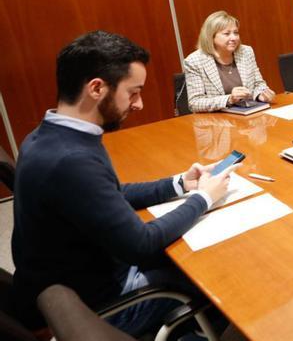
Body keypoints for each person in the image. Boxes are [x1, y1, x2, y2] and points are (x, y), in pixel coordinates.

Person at [11, 31, 233, 335]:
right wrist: (204, 199)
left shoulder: (47, 136)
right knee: (218, 281)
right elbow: (140, 244)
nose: (139, 104)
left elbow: (108, 194)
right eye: (133, 92)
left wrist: (180, 184)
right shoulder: (71, 160)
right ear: (97, 88)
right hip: (106, 306)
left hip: (79, 280)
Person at [184, 10, 275, 112]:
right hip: (216, 122)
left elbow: (258, 84)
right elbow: (195, 103)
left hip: (249, 115)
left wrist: (261, 95)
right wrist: (229, 99)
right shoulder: (194, 61)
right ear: (211, 37)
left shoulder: (246, 52)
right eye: (227, 34)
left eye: (235, 33)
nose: (234, 38)